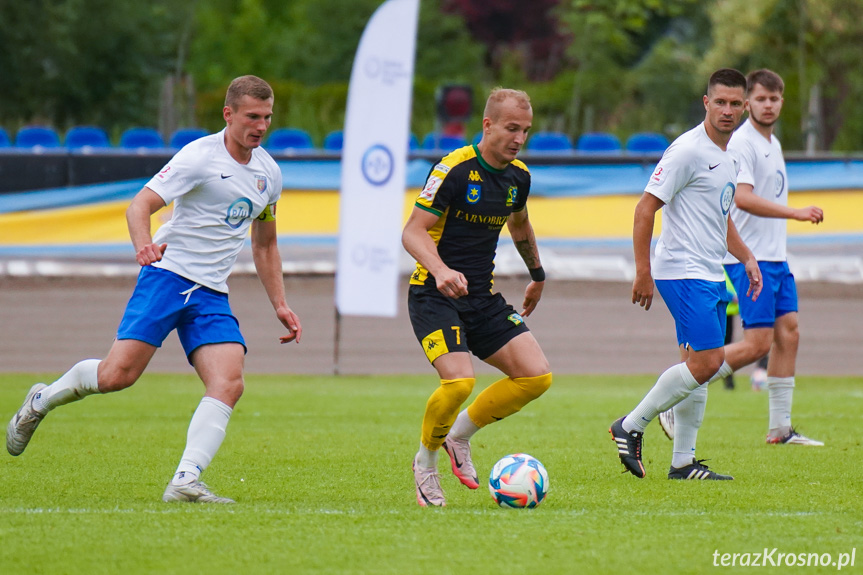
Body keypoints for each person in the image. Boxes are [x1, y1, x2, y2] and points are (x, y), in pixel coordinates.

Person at [6, 75, 302, 503]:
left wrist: (281, 303)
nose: (260, 126)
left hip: (211, 293)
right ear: (229, 114)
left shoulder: (268, 174)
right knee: (115, 376)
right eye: (252, 117)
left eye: (267, 118)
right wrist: (144, 245)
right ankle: (41, 399)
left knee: (229, 382)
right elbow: (140, 204)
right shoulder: (198, 157)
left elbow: (265, 242)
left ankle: (185, 480)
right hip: (169, 277)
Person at [610, 68, 762, 480]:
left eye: (735, 104)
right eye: (720, 102)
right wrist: (643, 271)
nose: (727, 110)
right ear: (706, 103)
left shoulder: (730, 155)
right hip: (682, 270)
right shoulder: (687, 151)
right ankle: (631, 425)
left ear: (744, 107)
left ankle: (682, 463)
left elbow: (721, 216)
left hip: (711, 271)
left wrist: (746, 256)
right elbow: (644, 209)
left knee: (698, 364)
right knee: (709, 361)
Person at [402, 88, 552, 507]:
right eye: (511, 128)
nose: (519, 138)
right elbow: (412, 231)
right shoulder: (453, 169)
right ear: (487, 125)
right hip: (434, 293)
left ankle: (458, 437)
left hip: (481, 297)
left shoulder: (518, 176)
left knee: (536, 376)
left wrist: (537, 274)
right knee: (459, 382)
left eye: (525, 130)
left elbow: (520, 226)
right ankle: (425, 465)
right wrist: (441, 270)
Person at [659, 69, 824, 445]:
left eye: (774, 99)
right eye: (761, 99)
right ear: (749, 102)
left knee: (790, 333)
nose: (767, 106)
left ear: (782, 102)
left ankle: (781, 429)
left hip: (775, 257)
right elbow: (742, 198)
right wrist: (795, 213)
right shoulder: (742, 143)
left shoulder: (773, 143)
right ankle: (676, 393)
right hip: (752, 258)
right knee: (757, 344)